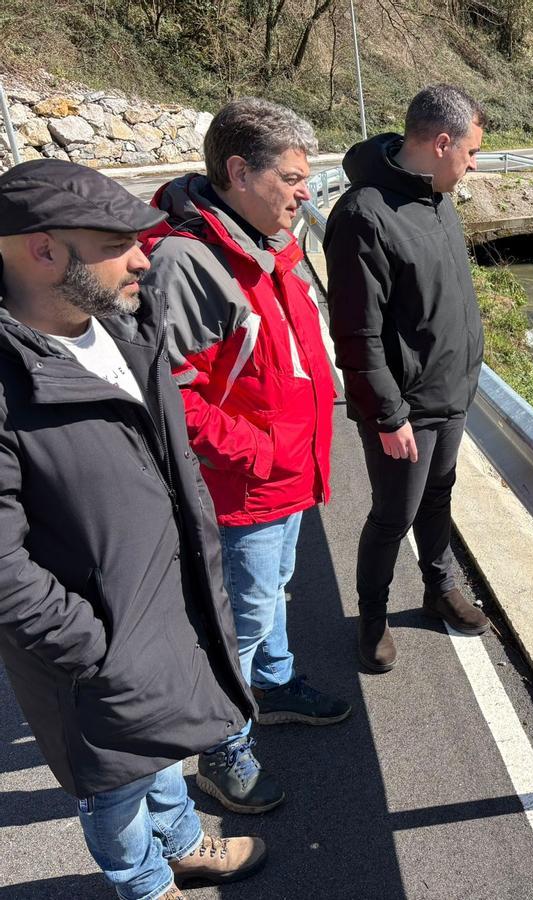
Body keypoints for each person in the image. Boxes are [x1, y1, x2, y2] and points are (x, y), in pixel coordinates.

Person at [0, 159, 266, 900]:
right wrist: (94, 649)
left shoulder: (123, 330)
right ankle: (146, 885)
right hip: (98, 651)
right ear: (44, 250)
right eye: (119, 241)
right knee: (114, 780)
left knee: (162, 752)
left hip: (165, 616)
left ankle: (182, 846)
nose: (144, 255)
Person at [138, 98, 347, 816]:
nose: (305, 193)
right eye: (292, 178)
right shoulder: (188, 261)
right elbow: (172, 394)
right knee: (239, 620)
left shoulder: (264, 238)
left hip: (287, 470)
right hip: (247, 483)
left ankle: (276, 684)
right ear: (237, 172)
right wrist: (260, 454)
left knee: (272, 592)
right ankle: (221, 753)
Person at [324, 84, 490, 673]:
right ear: (441, 143)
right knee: (393, 515)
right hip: (405, 406)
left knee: (439, 496)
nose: (472, 166)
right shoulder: (364, 215)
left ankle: (438, 588)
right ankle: (371, 619)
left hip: (452, 391)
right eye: (470, 153)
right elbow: (356, 333)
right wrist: (387, 415)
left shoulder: (438, 199)